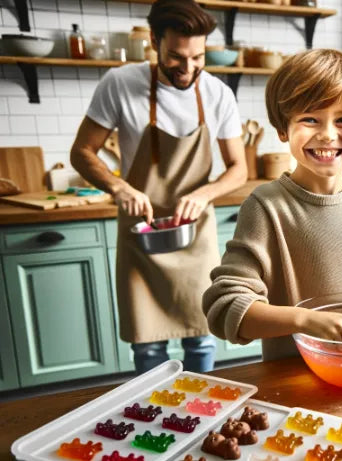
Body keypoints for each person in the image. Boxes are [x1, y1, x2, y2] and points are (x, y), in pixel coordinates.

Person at [202, 49, 342, 359]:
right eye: (310, 119)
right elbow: (225, 306)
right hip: (291, 380)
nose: (327, 135)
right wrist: (305, 320)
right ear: (283, 129)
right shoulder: (266, 207)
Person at [70, 0, 247, 374]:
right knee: (147, 345)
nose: (188, 68)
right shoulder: (120, 84)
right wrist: (120, 189)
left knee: (201, 334)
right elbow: (82, 152)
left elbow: (238, 169)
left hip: (194, 231)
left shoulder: (218, 94)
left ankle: (202, 416)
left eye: (198, 57)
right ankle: (154, 414)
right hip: (141, 231)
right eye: (176, 57)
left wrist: (202, 195)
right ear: (154, 41)